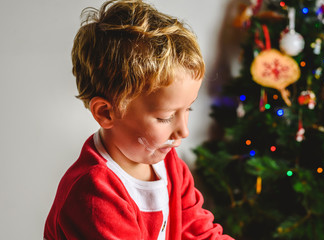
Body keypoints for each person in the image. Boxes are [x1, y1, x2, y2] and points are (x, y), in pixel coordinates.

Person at [44, 0, 234, 239]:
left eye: (188, 110)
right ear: (106, 113)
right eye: (165, 117)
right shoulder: (94, 194)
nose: (183, 131)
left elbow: (199, 232)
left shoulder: (169, 165)